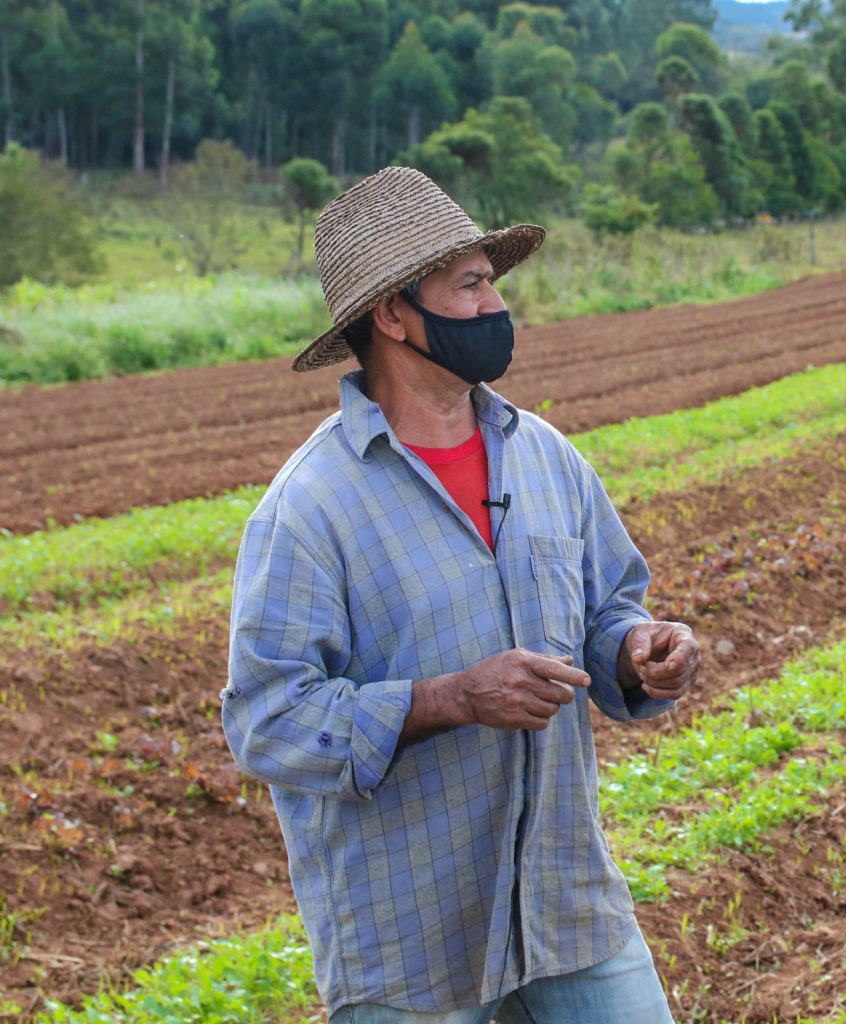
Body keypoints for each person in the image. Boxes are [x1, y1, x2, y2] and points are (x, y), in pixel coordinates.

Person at [222, 166, 698, 1024]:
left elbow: (608, 609)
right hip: (410, 946)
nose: (494, 307)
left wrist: (636, 651)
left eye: (491, 283)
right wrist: (450, 699)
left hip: (566, 903)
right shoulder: (310, 508)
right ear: (393, 314)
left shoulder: (545, 456)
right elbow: (267, 722)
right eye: (470, 285)